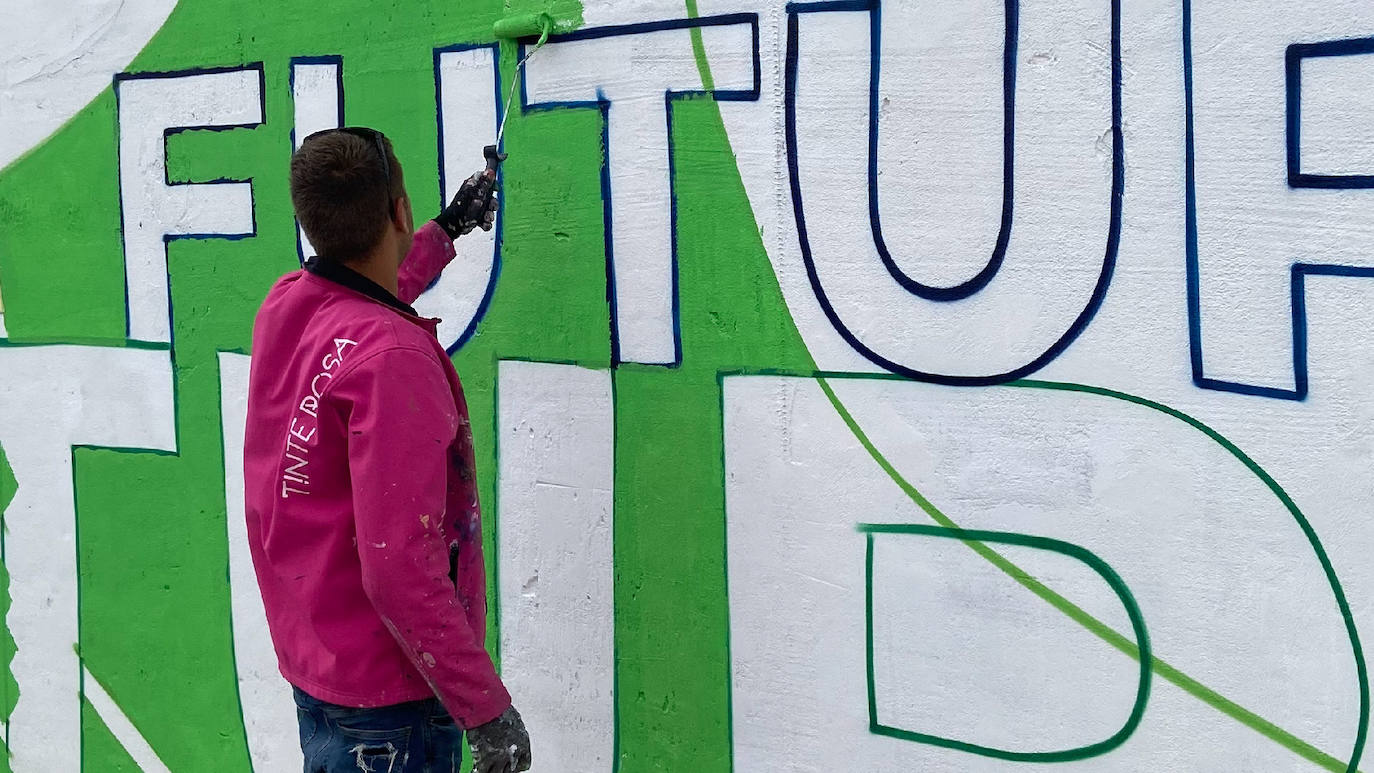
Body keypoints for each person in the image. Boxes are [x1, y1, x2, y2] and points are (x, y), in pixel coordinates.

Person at [242, 126, 532, 773]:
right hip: (390, 707)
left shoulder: (288, 304)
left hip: (325, 665)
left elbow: (366, 292)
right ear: (397, 208)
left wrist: (448, 231)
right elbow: (397, 565)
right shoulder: (394, 359)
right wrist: (484, 709)